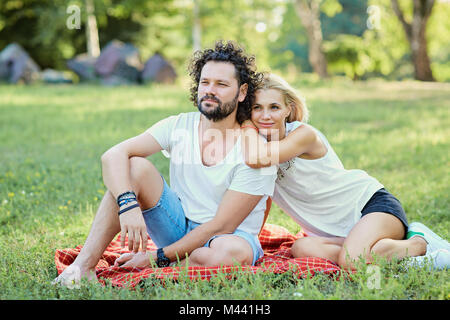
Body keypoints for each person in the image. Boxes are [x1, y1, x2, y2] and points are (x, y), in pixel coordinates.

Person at [53, 41, 276, 287]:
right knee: (133, 167)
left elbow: (221, 225)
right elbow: (113, 155)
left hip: (228, 237)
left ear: (242, 92)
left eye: (221, 84)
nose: (210, 90)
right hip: (177, 225)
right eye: (205, 82)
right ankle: (82, 267)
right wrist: (128, 204)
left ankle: (172, 263)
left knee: (230, 253)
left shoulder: (256, 150)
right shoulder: (179, 125)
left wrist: (154, 257)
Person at [240, 73, 450, 270]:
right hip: (335, 233)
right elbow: (261, 196)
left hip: (370, 207)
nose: (265, 115)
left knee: (352, 261)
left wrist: (246, 123)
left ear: (288, 109)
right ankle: (383, 250)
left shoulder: (303, 135)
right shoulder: (256, 144)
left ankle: (417, 243)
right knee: (301, 248)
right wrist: (252, 240)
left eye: (274, 107)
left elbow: (255, 158)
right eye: (257, 107)